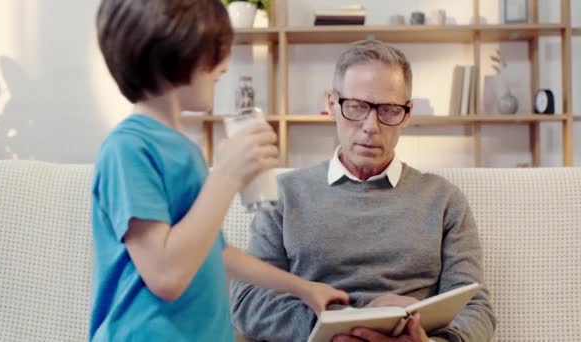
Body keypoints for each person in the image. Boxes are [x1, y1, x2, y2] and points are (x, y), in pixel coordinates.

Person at [89, 1, 349, 341]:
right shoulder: (128, 150)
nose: (223, 65)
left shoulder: (185, 151)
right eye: (213, 52)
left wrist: (302, 288)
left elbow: (216, 251)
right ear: (172, 51)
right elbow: (166, 275)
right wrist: (226, 176)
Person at [230, 40, 497, 342]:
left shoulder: (444, 199)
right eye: (356, 107)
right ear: (331, 104)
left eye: (389, 110)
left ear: (407, 114)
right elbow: (248, 299)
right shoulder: (284, 194)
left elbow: (475, 305)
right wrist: (338, 327)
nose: (371, 126)